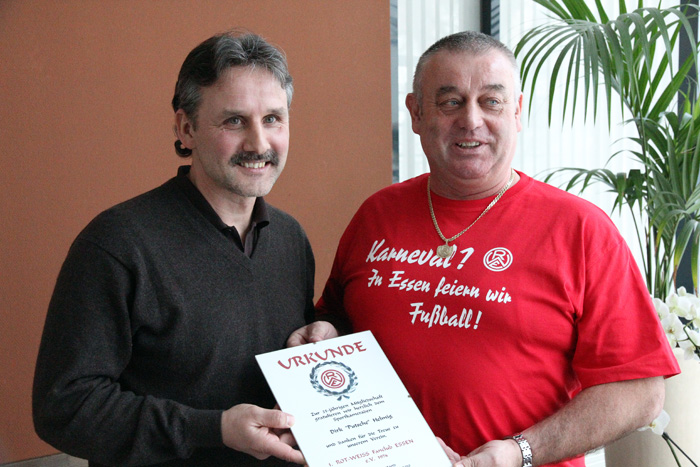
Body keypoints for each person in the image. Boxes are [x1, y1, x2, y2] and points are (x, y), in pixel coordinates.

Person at [288, 31, 680, 467]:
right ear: (415, 113)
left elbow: (640, 389)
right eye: (450, 101)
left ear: (517, 112)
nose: (470, 120)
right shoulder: (377, 214)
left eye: (491, 101)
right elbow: (337, 316)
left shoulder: (582, 231)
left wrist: (520, 452)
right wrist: (325, 334)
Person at [33, 31, 313, 466]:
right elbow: (64, 408)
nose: (259, 143)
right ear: (186, 128)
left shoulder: (292, 240)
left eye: (273, 118)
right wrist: (212, 429)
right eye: (234, 121)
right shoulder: (117, 244)